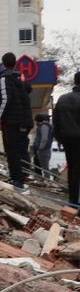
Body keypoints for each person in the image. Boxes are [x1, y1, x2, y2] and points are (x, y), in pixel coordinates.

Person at [0, 52, 35, 189]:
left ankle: (16, 179)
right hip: (20, 119)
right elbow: (27, 91)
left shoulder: (4, 78)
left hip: (10, 120)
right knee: (18, 149)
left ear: (3, 63)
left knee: (11, 150)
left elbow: (5, 99)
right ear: (15, 63)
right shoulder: (19, 78)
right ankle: (19, 177)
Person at [55, 73, 80, 205]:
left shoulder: (63, 99)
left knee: (73, 169)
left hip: (68, 139)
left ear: (75, 82)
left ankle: (73, 200)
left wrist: (58, 138)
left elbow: (56, 120)